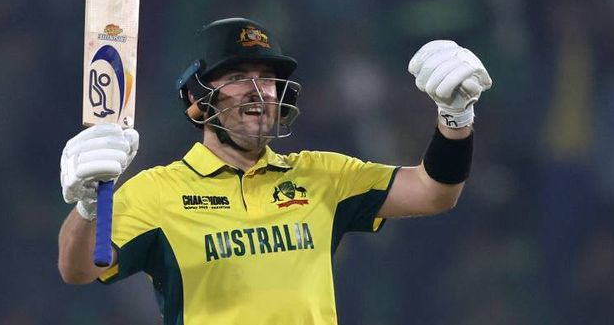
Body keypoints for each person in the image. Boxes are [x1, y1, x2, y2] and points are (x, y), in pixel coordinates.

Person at [58, 17, 492, 324]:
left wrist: (455, 118)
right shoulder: (157, 191)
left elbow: (435, 193)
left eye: (267, 77)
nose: (257, 89)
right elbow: (77, 269)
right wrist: (87, 208)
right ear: (196, 100)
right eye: (237, 76)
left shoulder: (321, 176)